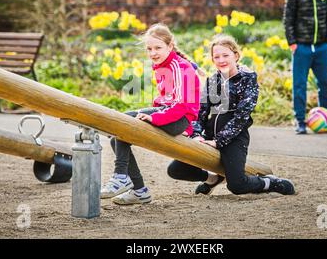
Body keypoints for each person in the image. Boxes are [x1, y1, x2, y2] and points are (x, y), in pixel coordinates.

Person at [167, 35, 295, 196]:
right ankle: (213, 179)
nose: (221, 60)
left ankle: (270, 182)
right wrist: (197, 136)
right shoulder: (212, 81)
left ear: (236, 55)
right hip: (208, 136)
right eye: (216, 57)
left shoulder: (247, 78)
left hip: (234, 138)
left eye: (225, 55)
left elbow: (242, 116)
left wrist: (218, 141)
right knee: (175, 170)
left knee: (237, 185)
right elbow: (199, 113)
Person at [101, 23, 200, 205]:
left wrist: (154, 117)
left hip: (180, 119)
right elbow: (167, 97)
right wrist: (155, 109)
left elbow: (181, 105)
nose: (153, 53)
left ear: (170, 46)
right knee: (118, 132)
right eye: (149, 49)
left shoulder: (180, 67)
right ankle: (139, 191)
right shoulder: (162, 65)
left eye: (157, 48)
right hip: (169, 113)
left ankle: (121, 177)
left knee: (123, 124)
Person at [283, 0, 327, 134]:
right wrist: (293, 43)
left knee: (325, 83)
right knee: (299, 85)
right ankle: (300, 121)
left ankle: (325, 117)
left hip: (321, 47)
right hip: (302, 48)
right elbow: (288, 20)